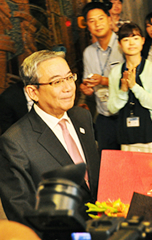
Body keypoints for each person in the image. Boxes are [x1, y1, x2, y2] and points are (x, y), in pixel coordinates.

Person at [0, 50, 100, 231]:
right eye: (57, 82)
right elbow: (22, 216)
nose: (68, 87)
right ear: (33, 92)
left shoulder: (82, 116)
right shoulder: (14, 142)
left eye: (70, 77)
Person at [108, 23, 152, 153]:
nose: (131, 43)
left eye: (135, 38)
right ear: (119, 44)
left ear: (143, 41)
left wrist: (134, 86)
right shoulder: (115, 72)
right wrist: (123, 91)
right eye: (126, 39)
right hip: (127, 136)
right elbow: (112, 108)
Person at [80, 2, 124, 153]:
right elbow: (89, 85)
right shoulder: (88, 53)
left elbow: (134, 79)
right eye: (92, 21)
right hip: (104, 116)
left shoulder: (124, 44)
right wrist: (86, 88)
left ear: (109, 20)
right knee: (108, 163)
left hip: (126, 114)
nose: (97, 24)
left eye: (100, 19)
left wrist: (104, 80)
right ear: (87, 25)